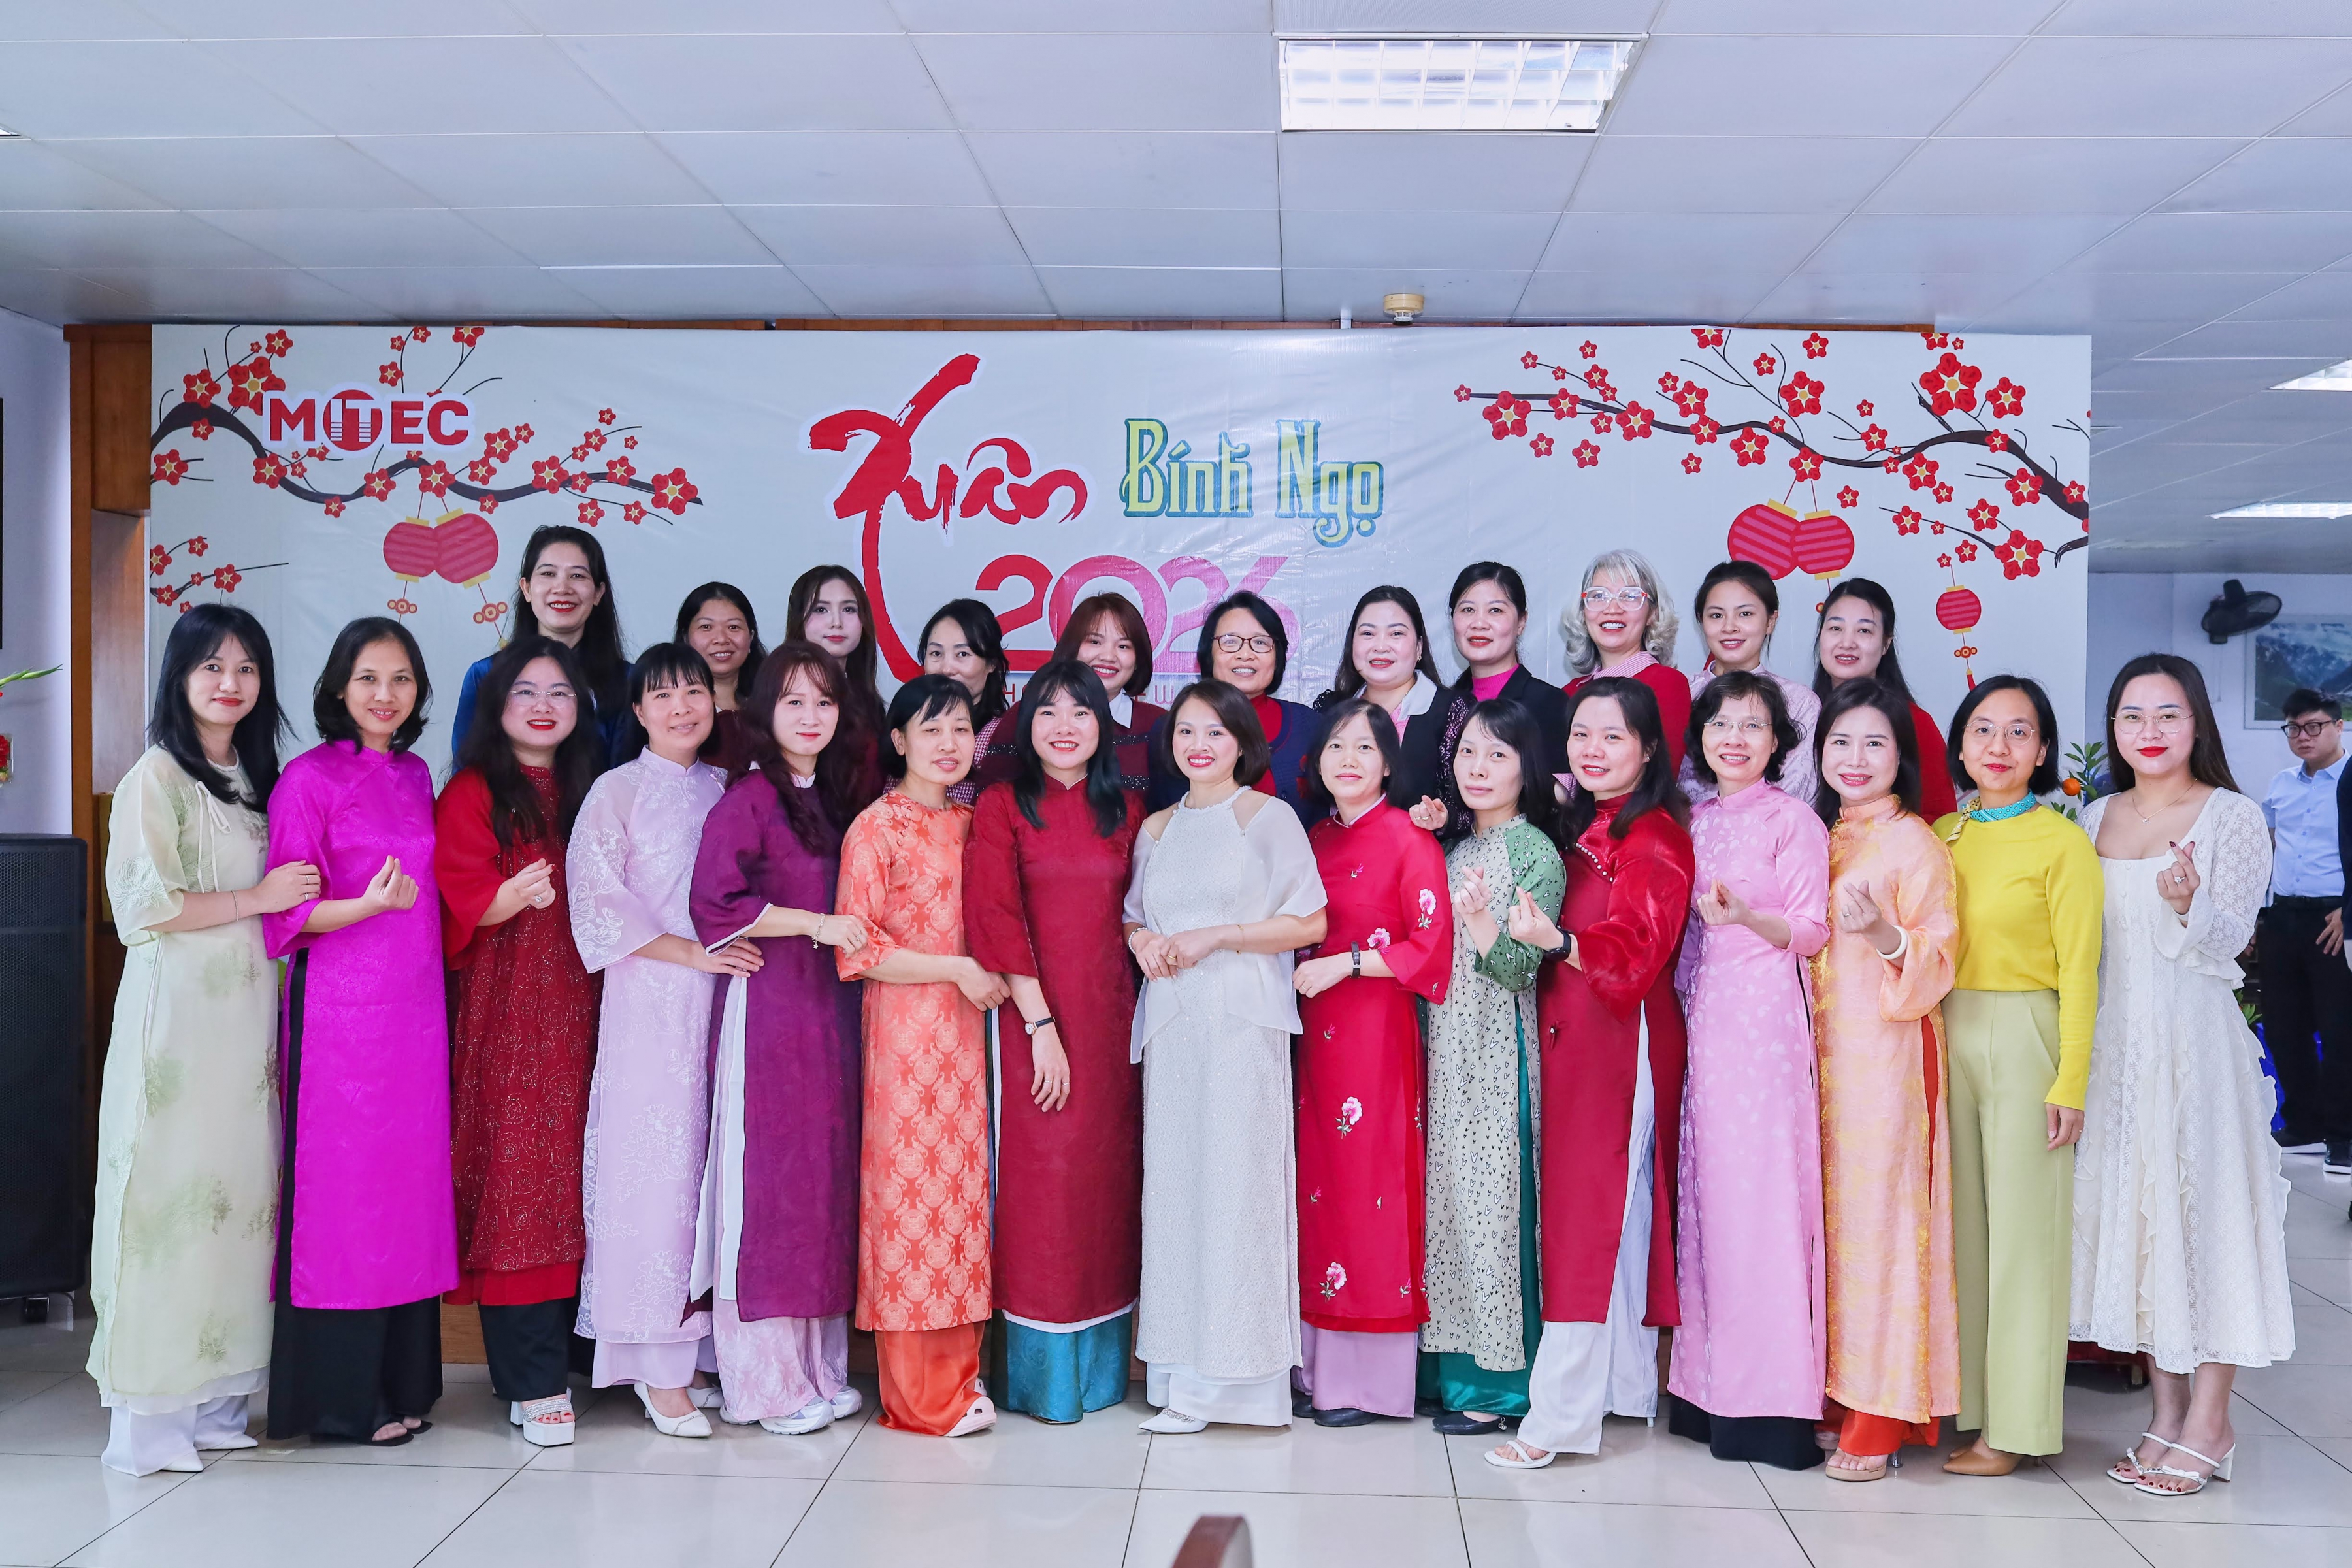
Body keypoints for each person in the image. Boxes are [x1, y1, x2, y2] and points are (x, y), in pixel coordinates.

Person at [89, 606, 314, 1476]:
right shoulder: (157, 776)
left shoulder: (257, 779)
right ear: (180, 678)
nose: (231, 682)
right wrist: (258, 900)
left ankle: (218, 1403)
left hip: (248, 1032)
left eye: (247, 667)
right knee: (169, 1206)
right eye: (212, 666)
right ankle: (149, 1426)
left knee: (240, 1206)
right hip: (178, 1029)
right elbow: (143, 906)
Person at [2074, 655, 2295, 1497]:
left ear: (2197, 722)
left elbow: (2235, 939)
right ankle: (2165, 1417)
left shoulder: (2232, 815)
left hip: (2197, 1046)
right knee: (2144, 1228)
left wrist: (2185, 904)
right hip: (2118, 1048)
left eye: (2168, 714)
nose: (2151, 731)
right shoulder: (2093, 816)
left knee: (2206, 1222)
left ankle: (2212, 1420)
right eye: (2133, 716)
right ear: (2114, 727)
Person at [1485, 677, 1693, 1469]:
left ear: (1649, 748)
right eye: (1582, 734)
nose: (1594, 750)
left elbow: (1638, 952)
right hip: (1576, 1037)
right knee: (1613, 1215)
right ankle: (1622, 1390)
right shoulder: (1582, 824)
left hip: (1619, 1041)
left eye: (1613, 736)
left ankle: (1558, 1422)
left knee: (1589, 1217)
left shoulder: (1654, 838)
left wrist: (1561, 943)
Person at [261, 617, 455, 1446]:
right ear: (339, 687)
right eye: (369, 678)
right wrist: (367, 906)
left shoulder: (415, 774)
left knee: (407, 1194)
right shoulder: (307, 779)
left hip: (414, 1015)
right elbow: (286, 913)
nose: (386, 694)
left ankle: (404, 1384)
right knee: (346, 1198)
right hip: (340, 1020)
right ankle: (343, 1400)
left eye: (401, 679)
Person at [1124, 680, 1328, 1431]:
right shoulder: (1155, 829)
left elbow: (1310, 921)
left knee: (1239, 1189)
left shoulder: (1268, 818)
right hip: (1175, 1026)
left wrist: (1220, 936)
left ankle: (1239, 1382)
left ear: (1242, 741)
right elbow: (1133, 916)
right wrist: (1144, 941)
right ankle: (1180, 1380)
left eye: (1215, 730)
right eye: (1186, 730)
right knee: (1177, 1191)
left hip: (1242, 1025)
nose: (1199, 744)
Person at [568, 644, 757, 1439]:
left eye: (695, 692)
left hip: (724, 998)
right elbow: (596, 902)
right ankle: (653, 1365)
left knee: (710, 1171)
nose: (682, 707)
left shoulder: (728, 788)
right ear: (639, 711)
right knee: (652, 1175)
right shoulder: (616, 791)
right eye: (664, 695)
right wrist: (690, 954)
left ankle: (698, 1346)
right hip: (648, 1001)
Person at [687, 642, 875, 1437]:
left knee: (821, 1185)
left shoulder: (833, 798)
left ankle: (818, 1371)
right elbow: (714, 901)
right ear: (765, 712)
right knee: (767, 1187)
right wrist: (814, 924)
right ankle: (763, 1386)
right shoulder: (750, 798)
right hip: (767, 1011)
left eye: (824, 702)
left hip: (830, 1014)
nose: (810, 717)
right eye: (794, 701)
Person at [962, 659, 1145, 1424]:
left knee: (1107, 1190)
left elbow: (1144, 918)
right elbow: (996, 918)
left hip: (1114, 1031)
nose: (1064, 726)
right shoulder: (1003, 806)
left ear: (1104, 724)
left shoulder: (1129, 811)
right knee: (1043, 1191)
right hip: (1032, 1024)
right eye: (1048, 711)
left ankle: (1103, 1377)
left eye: (1080, 711)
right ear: (1024, 724)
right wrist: (1040, 1027)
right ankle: (1041, 1381)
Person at [433, 637, 602, 1448]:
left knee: (588, 1175)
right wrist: (505, 896)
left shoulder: (592, 788)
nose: (542, 706)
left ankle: (582, 1361)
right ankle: (531, 1381)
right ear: (496, 706)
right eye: (525, 692)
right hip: (510, 1020)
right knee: (521, 1177)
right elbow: (456, 902)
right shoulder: (473, 790)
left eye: (559, 693)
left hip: (596, 1014)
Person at [1933, 674, 2100, 1476]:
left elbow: (2082, 971)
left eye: (2020, 732)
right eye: (1984, 730)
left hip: (2026, 1033)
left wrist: (2070, 1082)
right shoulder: (1943, 832)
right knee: (1963, 1236)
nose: (1999, 746)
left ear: (2042, 752)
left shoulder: (2062, 843)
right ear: (1960, 746)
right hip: (1945, 1031)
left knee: (2025, 1240)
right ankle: (1970, 1411)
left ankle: (2016, 1429)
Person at [834, 674, 1009, 1437]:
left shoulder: (974, 822)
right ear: (899, 740)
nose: (948, 743)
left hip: (972, 1039)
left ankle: (961, 1381)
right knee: (909, 1207)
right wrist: (956, 969)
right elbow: (858, 947)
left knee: (962, 1206)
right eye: (930, 729)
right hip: (906, 1039)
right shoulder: (876, 827)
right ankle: (916, 1399)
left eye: (961, 728)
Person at [1665, 670, 1831, 1471]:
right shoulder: (1694, 822)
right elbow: (1687, 944)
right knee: (1710, 1204)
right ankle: (1707, 1392)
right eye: (1721, 725)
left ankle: (1771, 1406)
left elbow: (1812, 930)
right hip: (1707, 1021)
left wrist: (1747, 918)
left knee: (1764, 1203)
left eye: (1753, 726)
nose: (1735, 739)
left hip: (1766, 1023)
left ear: (1778, 742)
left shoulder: (1792, 820)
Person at [1808, 679, 1961, 1480]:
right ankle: (1839, 1390)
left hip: (1889, 1059)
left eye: (1875, 743)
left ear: (1902, 755)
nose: (1856, 758)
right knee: (1830, 1226)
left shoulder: (1915, 844)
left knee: (1884, 1224)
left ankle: (1884, 1409)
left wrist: (1884, 933)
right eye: (1841, 742)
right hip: (1817, 1061)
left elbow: (1940, 957)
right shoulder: (1818, 836)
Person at [1292, 699, 1453, 1426]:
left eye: (1365, 747)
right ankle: (1315, 1372)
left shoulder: (1409, 838)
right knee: (1318, 1190)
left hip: (1376, 1038)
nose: (1349, 760)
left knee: (1370, 1189)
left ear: (1390, 762)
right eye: (1336, 746)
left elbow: (1430, 946)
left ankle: (1370, 1386)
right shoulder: (1313, 838)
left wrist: (1349, 964)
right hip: (1310, 1039)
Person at [1418, 698, 1565, 1436]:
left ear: (1525, 767)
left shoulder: (1537, 854)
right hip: (1438, 1050)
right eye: (1469, 752)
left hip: (1495, 1053)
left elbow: (1518, 972)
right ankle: (1445, 1372)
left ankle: (1501, 1386)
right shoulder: (1449, 847)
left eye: (1498, 755)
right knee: (1445, 1208)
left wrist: (1479, 919)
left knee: (1493, 1212)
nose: (1479, 768)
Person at [2258, 687, 2349, 1169]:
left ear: (2339, 726)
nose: (2303, 736)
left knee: (2339, 1030)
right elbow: (2268, 850)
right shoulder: (2281, 784)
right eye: (2293, 728)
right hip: (2283, 916)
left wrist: (2350, 910)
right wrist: (2259, 913)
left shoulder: (2350, 780)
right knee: (2283, 1026)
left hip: (2334, 918)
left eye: (2314, 726)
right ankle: (2305, 1124)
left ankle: (2343, 1135)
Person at [451, 525, 630, 761]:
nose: (562, 588)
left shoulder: (630, 681)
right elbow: (467, 765)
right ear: (526, 589)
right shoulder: (485, 674)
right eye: (548, 574)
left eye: (578, 576)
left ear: (598, 593)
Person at [1420, 564, 1569, 836]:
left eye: (1496, 611)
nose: (1479, 623)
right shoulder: (1439, 706)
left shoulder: (1551, 704)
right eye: (1467, 610)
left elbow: (1565, 799)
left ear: (1521, 622)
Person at [1151, 592, 1318, 813]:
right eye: (1230, 642)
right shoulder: (1170, 729)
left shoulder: (1312, 726)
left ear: (1277, 656)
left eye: (1260, 642)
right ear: (1208, 653)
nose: (1245, 654)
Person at [1812, 579, 1955, 821]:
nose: (1847, 643)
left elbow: (1941, 817)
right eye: (1836, 628)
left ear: (1885, 644)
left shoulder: (1914, 722)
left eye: (1864, 631)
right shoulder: (1803, 714)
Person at [1685, 560, 1818, 806]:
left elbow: (1797, 791)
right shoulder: (1682, 692)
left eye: (1745, 614)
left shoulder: (1799, 702)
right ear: (1701, 621)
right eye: (1716, 615)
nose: (1729, 627)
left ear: (1770, 621)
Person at [1316, 586, 1450, 812]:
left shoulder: (1451, 711)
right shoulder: (1330, 709)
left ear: (1419, 647)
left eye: (1396, 634)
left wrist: (1441, 819)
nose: (1380, 647)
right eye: (1368, 634)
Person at [1562, 549, 1690, 777]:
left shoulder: (1667, 684)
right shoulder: (1569, 693)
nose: (1612, 609)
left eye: (1630, 596)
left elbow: (1661, 777)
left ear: (1653, 613)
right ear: (1583, 611)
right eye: (1599, 596)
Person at [1050, 591, 1165, 792]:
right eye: (1095, 642)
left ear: (1138, 661)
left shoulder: (1161, 725)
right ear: (1072, 648)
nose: (1108, 656)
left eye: (1123, 646)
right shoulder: (1031, 716)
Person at [789, 564, 888, 777]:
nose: (836, 622)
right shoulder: (779, 694)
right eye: (821, 609)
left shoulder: (869, 701)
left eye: (849, 609)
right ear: (799, 618)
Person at [922, 598, 1016, 806]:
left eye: (962, 654)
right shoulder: (908, 725)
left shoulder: (1003, 736)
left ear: (991, 664)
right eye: (936, 654)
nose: (947, 669)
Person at [676, 582, 766, 781]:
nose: (721, 639)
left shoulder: (774, 702)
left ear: (751, 637)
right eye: (706, 627)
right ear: (685, 637)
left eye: (733, 627)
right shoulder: (673, 709)